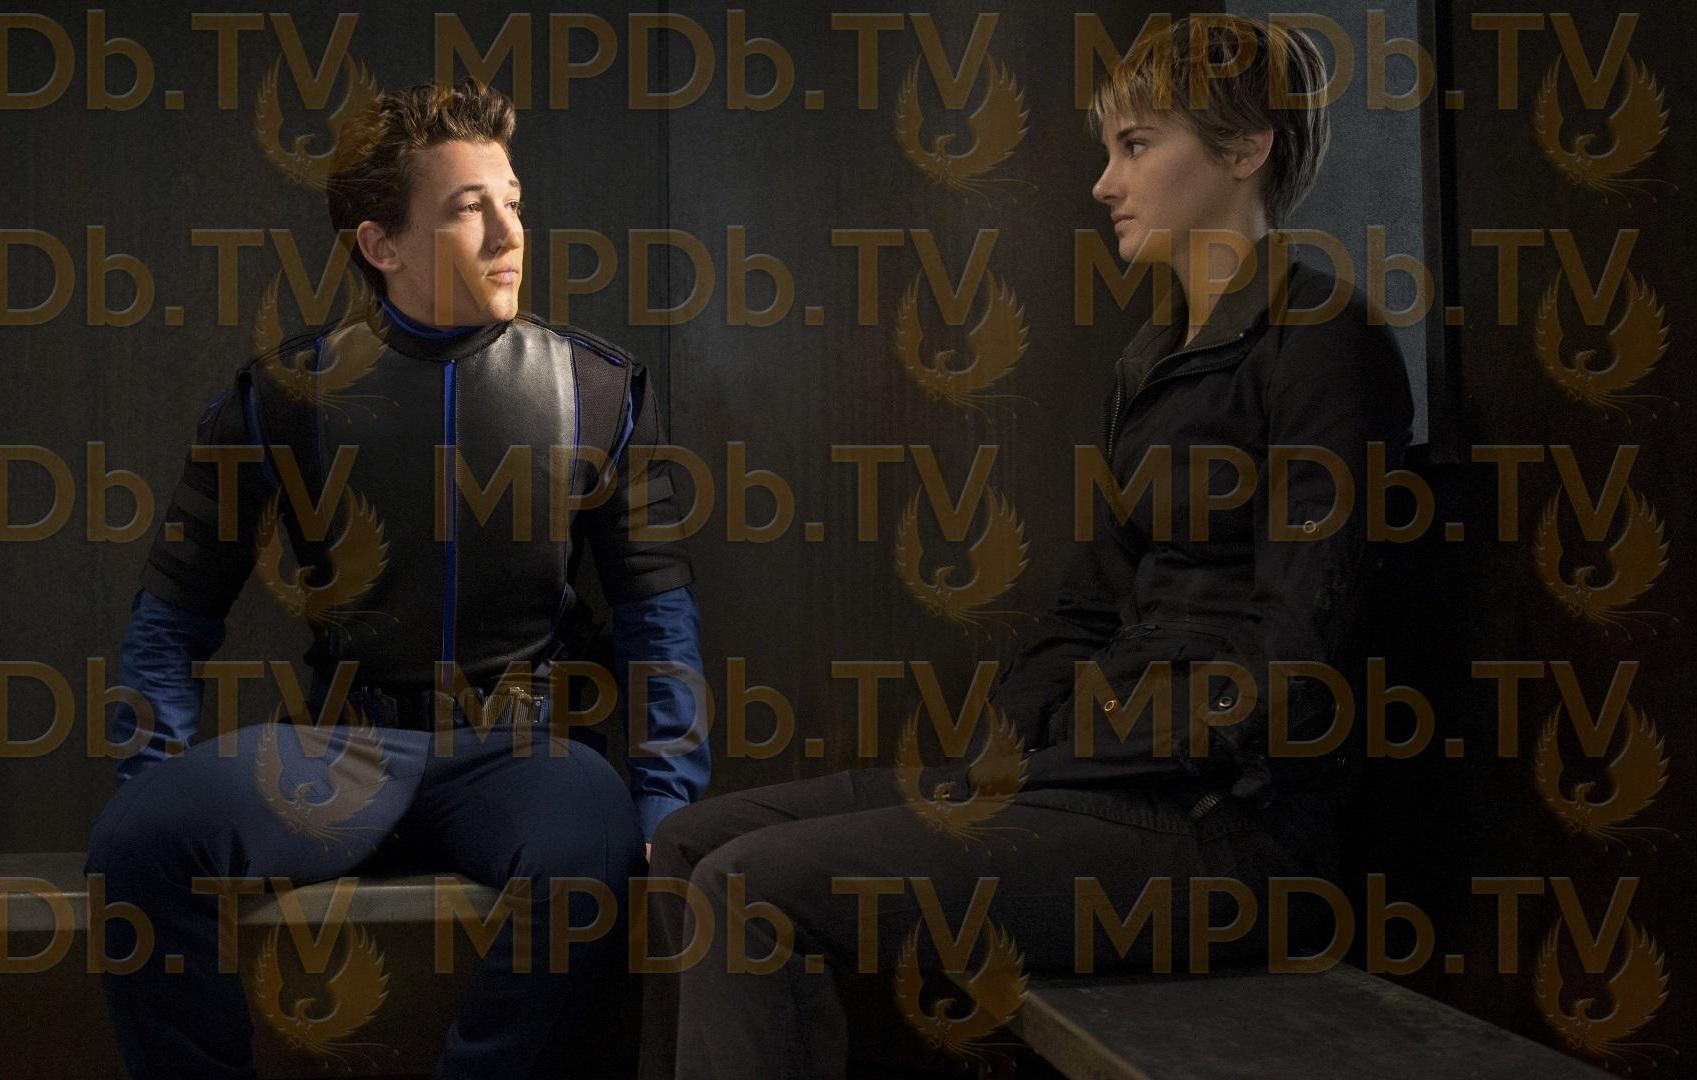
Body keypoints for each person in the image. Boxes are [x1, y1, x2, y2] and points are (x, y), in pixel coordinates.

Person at [638, 16, 1415, 1080]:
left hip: (1226, 833)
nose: (1104, 182)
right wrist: (996, 763)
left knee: (749, 889)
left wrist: (1071, 763)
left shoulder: (1323, 340)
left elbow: (1292, 666)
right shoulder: (1152, 358)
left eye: (1136, 145)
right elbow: (1085, 613)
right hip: (1097, 785)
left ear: (1245, 149)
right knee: (692, 846)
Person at [84, 78, 709, 1080]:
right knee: (135, 843)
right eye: (469, 209)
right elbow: (170, 621)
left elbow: (658, 623)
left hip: (525, 757)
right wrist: (149, 777)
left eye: (514, 202)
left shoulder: (597, 391)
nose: (509, 233)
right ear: (381, 245)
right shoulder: (282, 396)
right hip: (341, 753)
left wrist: (665, 812)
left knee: (593, 848)